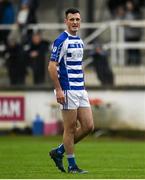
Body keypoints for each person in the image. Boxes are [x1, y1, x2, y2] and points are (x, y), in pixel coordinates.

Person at [48, 8, 94, 174]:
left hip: (80, 89)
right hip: (67, 90)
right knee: (71, 128)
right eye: (72, 19)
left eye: (77, 19)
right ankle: (72, 165)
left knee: (89, 126)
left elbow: (78, 65)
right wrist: (58, 89)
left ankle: (59, 151)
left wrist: (83, 83)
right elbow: (52, 66)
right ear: (66, 21)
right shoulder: (61, 40)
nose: (75, 22)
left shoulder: (80, 41)